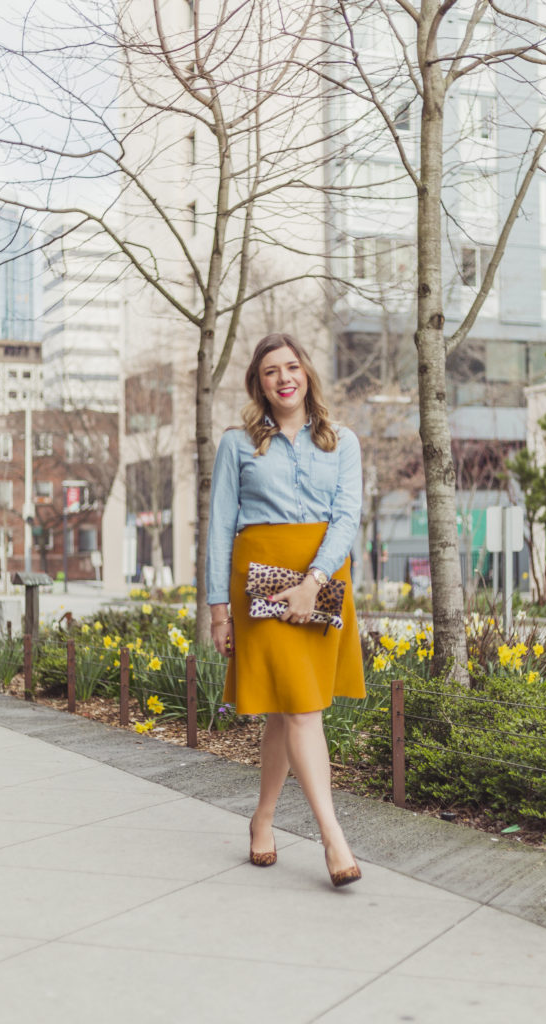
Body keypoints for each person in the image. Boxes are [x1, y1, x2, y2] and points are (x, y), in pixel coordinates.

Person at [206, 332, 365, 887]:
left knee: (286, 709)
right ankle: (332, 837)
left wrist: (312, 581)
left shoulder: (341, 440)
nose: (283, 378)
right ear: (259, 383)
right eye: (271, 371)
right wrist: (218, 610)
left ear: (307, 374)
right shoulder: (237, 443)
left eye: (291, 367)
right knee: (301, 709)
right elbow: (220, 527)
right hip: (260, 584)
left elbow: (347, 517)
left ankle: (264, 818)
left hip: (320, 579)